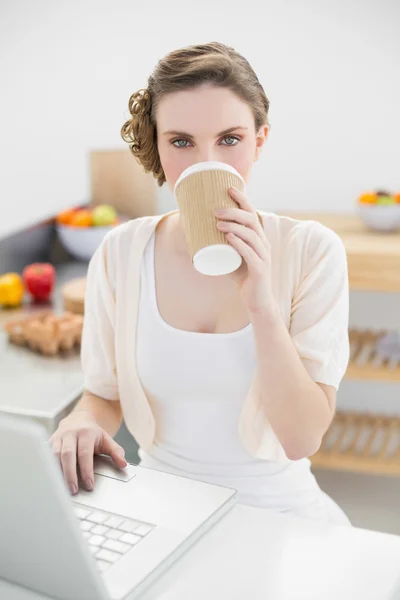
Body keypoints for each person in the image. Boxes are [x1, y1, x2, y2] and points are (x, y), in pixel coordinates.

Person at [50, 42, 351, 526]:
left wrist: (261, 305)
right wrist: (81, 423)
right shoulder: (121, 252)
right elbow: (103, 395)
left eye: (230, 139)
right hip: (163, 513)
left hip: (282, 515)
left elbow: (300, 439)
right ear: (157, 144)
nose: (204, 161)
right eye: (181, 141)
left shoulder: (311, 250)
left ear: (260, 140)